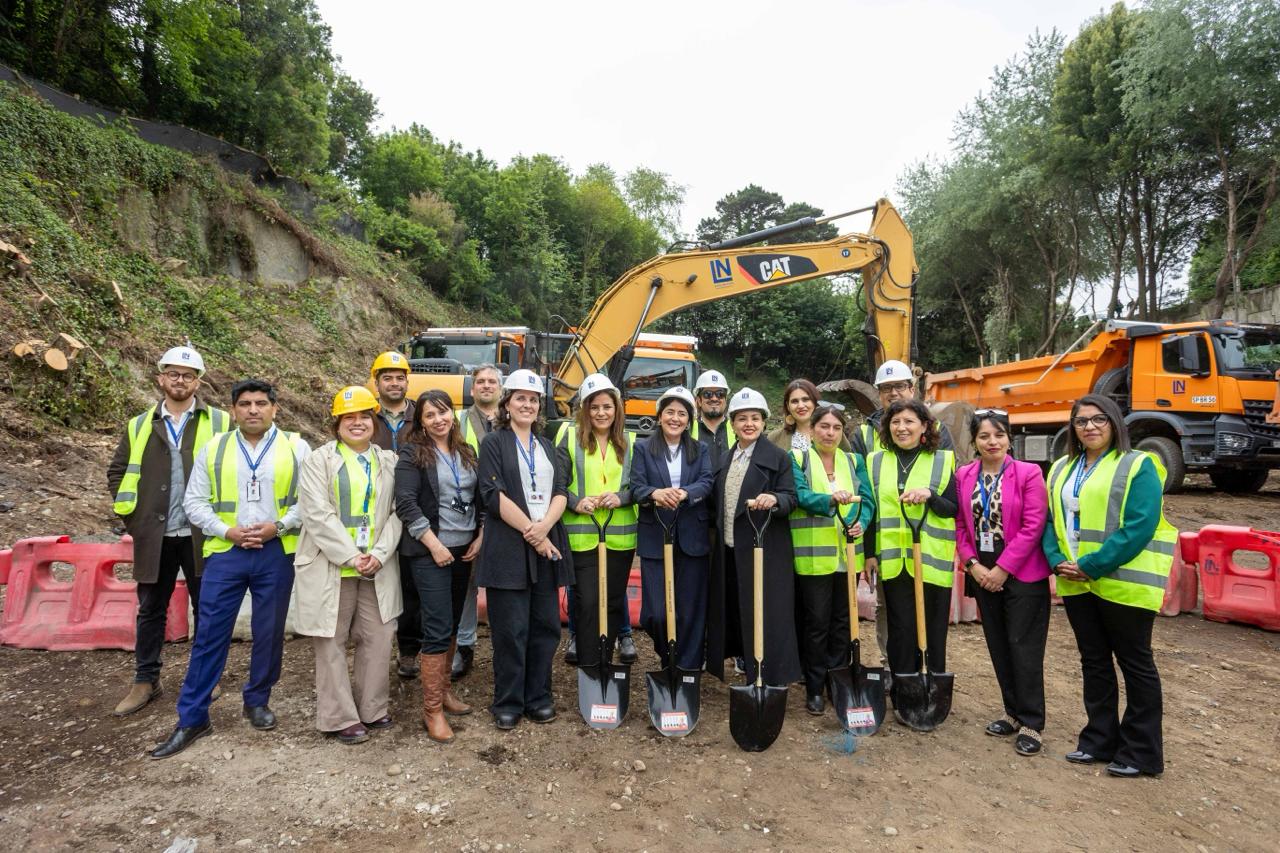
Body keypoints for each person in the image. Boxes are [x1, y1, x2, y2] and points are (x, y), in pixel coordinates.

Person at [151, 379, 310, 759]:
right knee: (209, 634)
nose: (253, 410)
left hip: (276, 551)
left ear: (275, 409)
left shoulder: (296, 447)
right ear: (233, 410)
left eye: (261, 403)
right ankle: (193, 717)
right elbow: (194, 502)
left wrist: (279, 526)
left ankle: (257, 699)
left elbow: (309, 500)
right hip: (226, 553)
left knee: (268, 632)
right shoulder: (215, 447)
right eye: (245, 404)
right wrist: (228, 531)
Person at [1042, 394, 1176, 778]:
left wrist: (1092, 565)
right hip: (1076, 582)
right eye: (1081, 421)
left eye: (1099, 419)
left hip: (1123, 584)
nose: (1090, 427)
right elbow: (1050, 521)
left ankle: (1141, 752)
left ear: (1115, 422)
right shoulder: (1062, 468)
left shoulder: (1138, 465)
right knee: (1094, 662)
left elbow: (1140, 525)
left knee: (1135, 664)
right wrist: (1055, 559)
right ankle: (1098, 740)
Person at [107, 345, 230, 716]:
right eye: (173, 374)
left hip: (203, 533)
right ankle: (145, 680)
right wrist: (136, 519)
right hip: (155, 534)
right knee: (150, 609)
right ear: (161, 378)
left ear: (198, 382)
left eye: (188, 375)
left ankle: (206, 675)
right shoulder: (140, 424)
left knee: (206, 607)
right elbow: (118, 472)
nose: (180, 380)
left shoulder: (221, 422)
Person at [294, 387, 402, 745]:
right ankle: (340, 716)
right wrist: (352, 556)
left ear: (374, 421)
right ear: (336, 423)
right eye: (349, 417)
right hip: (333, 565)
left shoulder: (389, 461)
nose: (357, 423)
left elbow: (398, 511)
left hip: (376, 566)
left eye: (364, 417)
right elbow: (316, 514)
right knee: (331, 640)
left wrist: (379, 554)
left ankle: (373, 707)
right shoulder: (318, 461)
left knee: (379, 636)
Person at [474, 369, 572, 730]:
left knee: (545, 627)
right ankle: (508, 701)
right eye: (520, 399)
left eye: (533, 400)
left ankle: (538, 698)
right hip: (508, 549)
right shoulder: (494, 443)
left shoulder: (546, 445)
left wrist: (544, 528)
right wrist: (535, 534)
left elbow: (561, 490)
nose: (527, 405)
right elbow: (492, 494)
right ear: (507, 404)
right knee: (510, 630)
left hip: (546, 546)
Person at [955, 409, 1050, 756]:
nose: (992, 442)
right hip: (982, 570)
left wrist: (1003, 569)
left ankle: (1032, 722)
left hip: (1022, 572)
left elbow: (1033, 524)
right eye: (984, 436)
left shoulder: (1028, 473)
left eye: (998, 435)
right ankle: (1012, 712)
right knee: (998, 643)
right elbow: (960, 525)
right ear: (975, 441)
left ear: (1009, 439)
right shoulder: (964, 475)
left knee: (1024, 647)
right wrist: (973, 565)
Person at [850, 359, 955, 675]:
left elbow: (952, 504)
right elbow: (871, 506)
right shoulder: (870, 448)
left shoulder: (941, 450)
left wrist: (930, 495)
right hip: (892, 556)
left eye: (899, 386)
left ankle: (930, 679)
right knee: (896, 621)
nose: (902, 427)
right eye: (886, 388)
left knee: (931, 624)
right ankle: (899, 678)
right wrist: (869, 552)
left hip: (930, 556)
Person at [395, 389, 484, 743]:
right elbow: (406, 503)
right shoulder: (412, 454)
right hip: (430, 552)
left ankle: (445, 691)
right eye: (429, 415)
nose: (438, 420)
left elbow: (479, 498)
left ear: (453, 414)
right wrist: (434, 545)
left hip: (463, 550)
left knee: (451, 625)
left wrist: (481, 535)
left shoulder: (467, 452)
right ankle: (431, 710)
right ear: (420, 421)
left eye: (443, 412)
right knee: (436, 627)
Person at [705, 387, 800, 687]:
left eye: (755, 418)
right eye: (742, 419)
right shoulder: (724, 459)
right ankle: (746, 662)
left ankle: (767, 675)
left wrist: (775, 499)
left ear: (763, 422)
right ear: (732, 423)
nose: (749, 424)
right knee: (737, 611)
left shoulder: (779, 458)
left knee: (766, 614)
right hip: (730, 549)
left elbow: (791, 497)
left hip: (764, 550)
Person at [789, 403, 874, 714]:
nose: (830, 433)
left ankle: (836, 682)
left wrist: (860, 521)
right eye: (824, 427)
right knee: (817, 624)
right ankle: (814, 687)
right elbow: (800, 495)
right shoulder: (797, 458)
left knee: (843, 623)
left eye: (836, 428)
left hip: (848, 555)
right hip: (813, 557)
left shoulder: (854, 461)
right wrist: (829, 500)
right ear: (812, 430)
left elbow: (867, 500)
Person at [556, 374, 638, 671]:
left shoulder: (630, 440)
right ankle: (590, 664)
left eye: (607, 406)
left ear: (616, 408)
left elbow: (640, 486)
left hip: (620, 538)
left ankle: (606, 659)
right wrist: (576, 502)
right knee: (588, 601)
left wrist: (621, 497)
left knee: (613, 602)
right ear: (585, 409)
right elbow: (557, 482)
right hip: (581, 536)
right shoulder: (569, 437)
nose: (601, 413)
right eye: (594, 407)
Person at [631, 386, 714, 671]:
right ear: (659, 416)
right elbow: (637, 487)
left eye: (682, 414)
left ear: (689, 420)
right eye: (670, 412)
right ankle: (667, 654)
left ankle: (686, 668)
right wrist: (654, 493)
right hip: (656, 535)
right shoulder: (643, 448)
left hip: (692, 537)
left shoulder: (700, 449)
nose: (675, 418)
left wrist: (686, 493)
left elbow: (706, 481)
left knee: (689, 609)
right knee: (655, 613)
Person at [368, 351, 422, 680]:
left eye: (400, 377)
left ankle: (409, 650)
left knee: (411, 585)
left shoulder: (421, 416)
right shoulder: (365, 417)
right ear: (376, 382)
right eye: (387, 377)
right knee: (378, 581)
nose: (394, 383)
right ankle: (375, 646)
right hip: (375, 510)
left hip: (414, 508)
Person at [453, 363, 503, 680]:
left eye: (492, 381)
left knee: (501, 583)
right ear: (472, 389)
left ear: (500, 388)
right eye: (481, 381)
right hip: (468, 510)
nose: (486, 385)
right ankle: (464, 645)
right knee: (467, 583)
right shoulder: (457, 421)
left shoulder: (511, 419)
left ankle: (503, 646)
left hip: (504, 510)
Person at [768, 378, 848, 453]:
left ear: (815, 402)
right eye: (794, 401)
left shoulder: (833, 432)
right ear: (788, 406)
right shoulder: (774, 438)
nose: (800, 406)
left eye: (805, 399)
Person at [690, 370, 735, 472]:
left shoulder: (737, 429)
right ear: (699, 401)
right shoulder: (688, 429)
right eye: (708, 394)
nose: (714, 398)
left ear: (725, 400)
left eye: (720, 394)